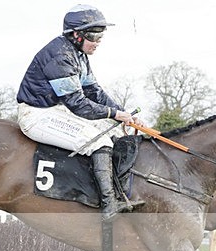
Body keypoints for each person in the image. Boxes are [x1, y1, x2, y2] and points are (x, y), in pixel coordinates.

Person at [16, 4, 144, 221]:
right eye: (94, 35)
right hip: (37, 115)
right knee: (99, 142)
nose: (98, 41)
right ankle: (108, 204)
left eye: (101, 35)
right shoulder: (60, 56)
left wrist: (124, 115)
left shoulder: (78, 54)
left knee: (118, 133)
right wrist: (114, 114)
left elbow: (94, 91)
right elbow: (79, 105)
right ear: (76, 35)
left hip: (56, 110)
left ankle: (121, 191)